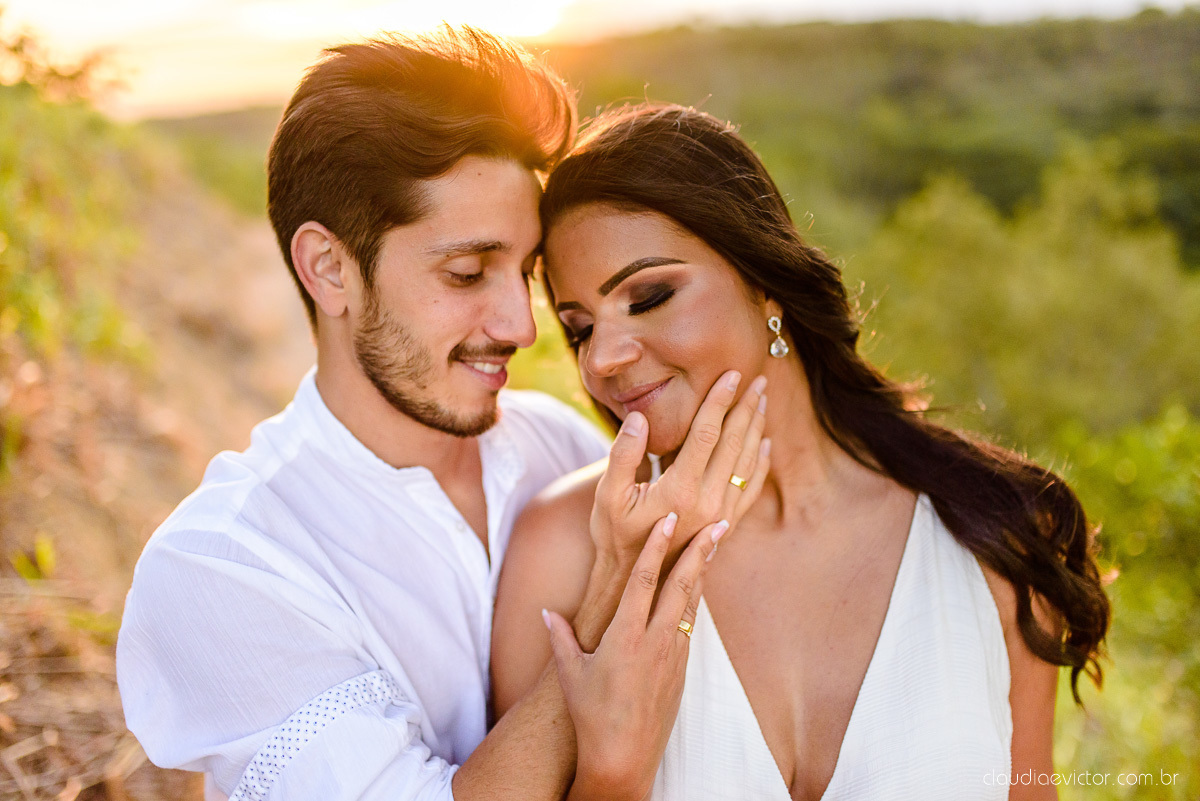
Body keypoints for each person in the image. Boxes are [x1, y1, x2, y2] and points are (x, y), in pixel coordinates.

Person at [116, 33, 769, 801]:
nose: (522, 328)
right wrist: (621, 586)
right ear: (329, 268)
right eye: (466, 272)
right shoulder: (224, 564)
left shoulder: (562, 449)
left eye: (522, 272)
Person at [491, 104, 1112, 801]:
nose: (602, 359)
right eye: (578, 330)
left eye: (650, 295)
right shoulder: (562, 553)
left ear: (766, 287)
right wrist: (611, 776)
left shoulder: (992, 535)